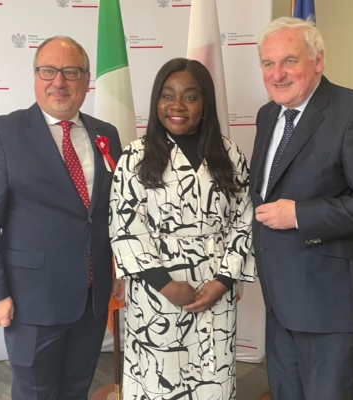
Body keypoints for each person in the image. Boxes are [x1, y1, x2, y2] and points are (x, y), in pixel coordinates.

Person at [250, 17, 353, 400]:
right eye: (268, 63)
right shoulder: (268, 114)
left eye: (289, 61)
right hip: (279, 297)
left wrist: (300, 214)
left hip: (329, 302)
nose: (277, 74)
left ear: (318, 61)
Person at [0, 36, 122, 400]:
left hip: (92, 300)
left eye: (71, 72)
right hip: (31, 301)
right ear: (35, 76)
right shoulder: (1, 134)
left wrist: (121, 269)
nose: (59, 82)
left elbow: (116, 212)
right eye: (48, 71)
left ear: (86, 79)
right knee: (36, 392)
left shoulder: (106, 135)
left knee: (76, 389)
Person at [109, 58, 255, 400]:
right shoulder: (135, 156)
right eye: (167, 95)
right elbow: (124, 223)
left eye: (190, 96)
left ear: (205, 105)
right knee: (161, 377)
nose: (177, 105)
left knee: (212, 371)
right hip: (156, 288)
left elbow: (244, 220)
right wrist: (164, 283)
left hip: (214, 283)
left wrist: (224, 281)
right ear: (156, 102)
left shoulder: (230, 155)